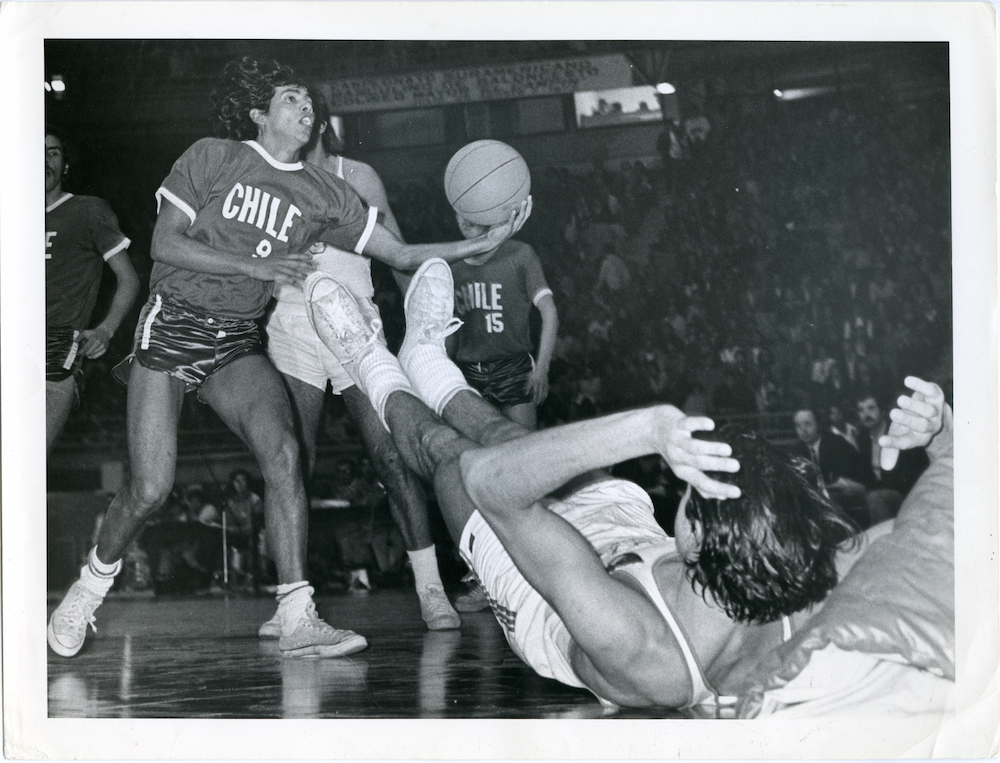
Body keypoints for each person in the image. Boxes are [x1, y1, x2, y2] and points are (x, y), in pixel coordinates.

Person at [302, 259, 948, 711]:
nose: (683, 489)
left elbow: (491, 485)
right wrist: (942, 435)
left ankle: (370, 360)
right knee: (507, 437)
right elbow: (950, 521)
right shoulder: (809, 563)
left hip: (551, 591)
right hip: (635, 545)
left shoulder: (647, 650)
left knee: (451, 460)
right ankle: (430, 361)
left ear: (694, 543)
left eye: (691, 495)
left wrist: (648, 427)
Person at [46, 56, 529, 660]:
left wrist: (482, 242)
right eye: (291, 99)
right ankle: (86, 593)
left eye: (309, 102)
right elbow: (164, 243)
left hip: (236, 343)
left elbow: (401, 255)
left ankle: (297, 614)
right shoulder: (212, 156)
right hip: (172, 330)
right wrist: (259, 266)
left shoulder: (323, 192)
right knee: (150, 488)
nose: (307, 109)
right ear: (258, 112)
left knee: (284, 452)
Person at [263, 92, 460, 633]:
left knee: (392, 458)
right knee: (290, 464)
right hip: (293, 323)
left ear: (322, 123)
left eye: (307, 114)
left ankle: (432, 591)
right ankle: (291, 604)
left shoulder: (360, 176)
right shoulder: (269, 176)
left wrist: (427, 327)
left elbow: (398, 252)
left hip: (357, 324)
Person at [446, 183, 559, 612]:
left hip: (514, 366)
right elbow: (450, 336)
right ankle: (484, 577)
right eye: (459, 212)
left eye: (473, 213)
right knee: (472, 478)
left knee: (522, 473)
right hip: (469, 374)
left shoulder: (520, 255)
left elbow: (549, 310)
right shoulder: (452, 264)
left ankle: (536, 573)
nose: (464, 219)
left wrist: (542, 365)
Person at [45, 127, 140, 454]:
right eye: (36, 152)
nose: (44, 161)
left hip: (54, 342)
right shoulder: (10, 216)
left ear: (65, 165)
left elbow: (129, 279)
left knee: (26, 458)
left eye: (53, 153)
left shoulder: (88, 210)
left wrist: (105, 329)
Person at [855, 391, 929, 524]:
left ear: (882, 410)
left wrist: (871, 489)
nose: (866, 414)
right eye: (861, 410)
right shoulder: (862, 441)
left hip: (907, 493)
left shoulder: (898, 432)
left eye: (871, 408)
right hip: (879, 494)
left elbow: (908, 477)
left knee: (876, 498)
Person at [792, 407, 873, 519]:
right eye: (798, 425)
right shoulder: (797, 449)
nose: (803, 430)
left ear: (819, 425)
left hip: (852, 489)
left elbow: (842, 479)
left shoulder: (836, 443)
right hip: (821, 493)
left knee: (824, 499)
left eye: (808, 424)